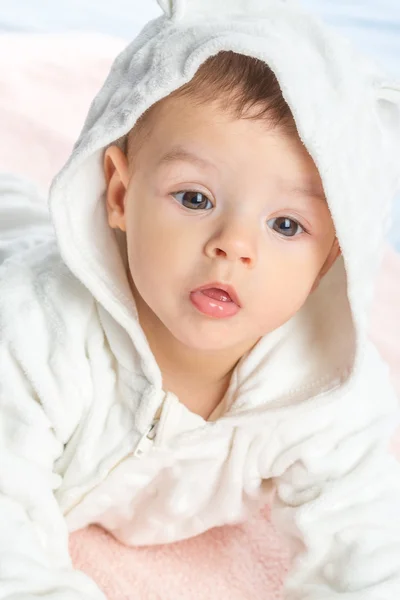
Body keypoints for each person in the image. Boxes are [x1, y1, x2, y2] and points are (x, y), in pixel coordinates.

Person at [1, 0, 400, 597]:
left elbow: (367, 552)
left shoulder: (330, 391)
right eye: (194, 199)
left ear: (331, 258)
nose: (234, 247)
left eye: (287, 226)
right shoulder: (34, 329)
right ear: (119, 192)